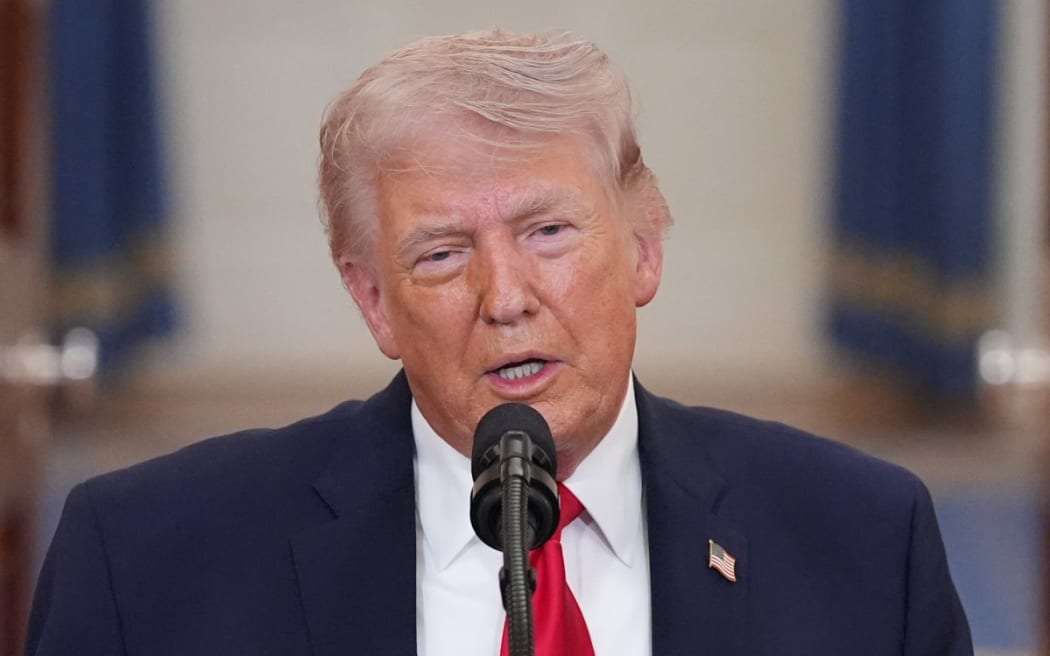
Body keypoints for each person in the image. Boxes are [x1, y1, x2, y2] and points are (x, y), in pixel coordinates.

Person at [25, 29, 972, 655]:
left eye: (548, 232)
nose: (505, 296)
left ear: (644, 249)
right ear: (374, 302)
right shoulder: (145, 563)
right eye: (441, 254)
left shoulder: (863, 542)